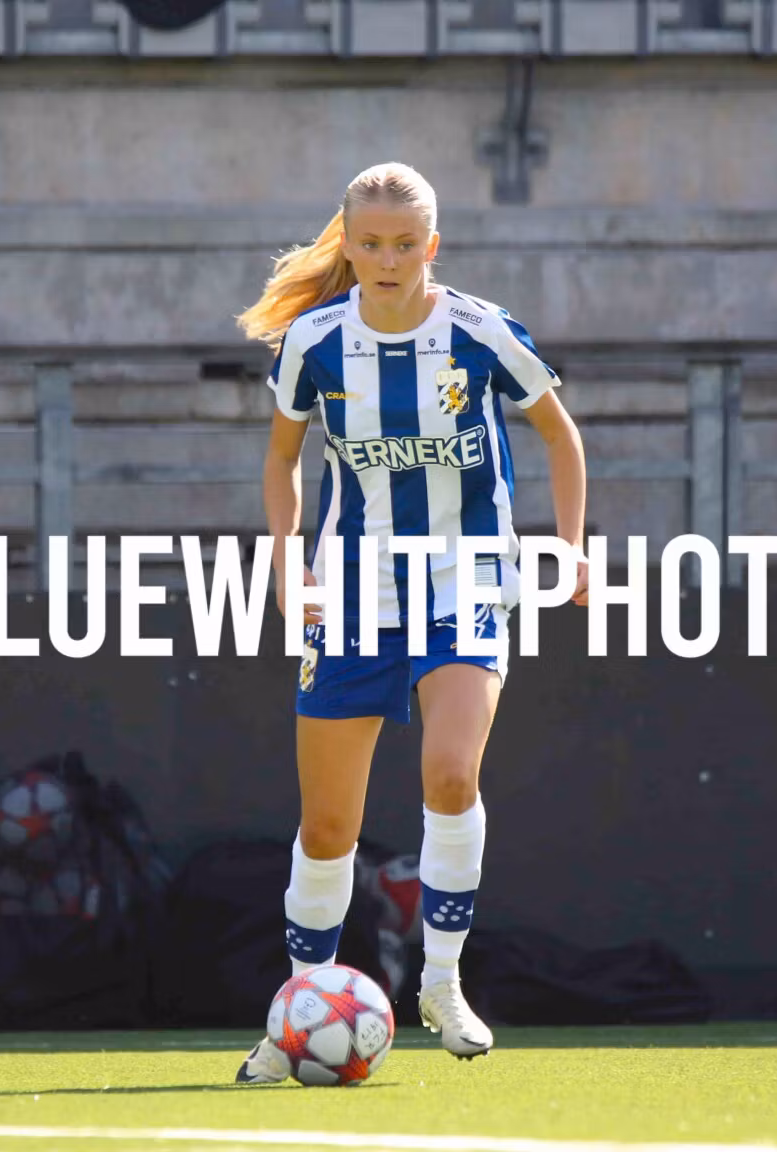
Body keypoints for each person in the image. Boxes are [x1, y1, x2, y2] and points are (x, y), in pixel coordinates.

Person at [231, 161, 589, 1082]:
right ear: (346, 245)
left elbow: (560, 432)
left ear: (433, 246)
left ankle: (440, 981)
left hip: (467, 576)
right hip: (350, 589)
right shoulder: (313, 342)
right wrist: (285, 561)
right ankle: (301, 1010)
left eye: (404, 244)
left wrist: (574, 545)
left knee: (450, 769)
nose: (387, 260)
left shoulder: (481, 333)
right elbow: (282, 461)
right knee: (327, 829)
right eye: (370, 244)